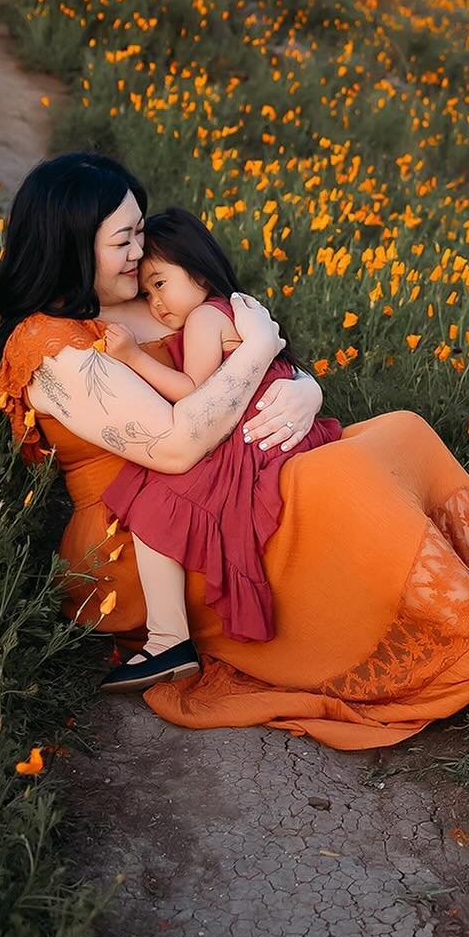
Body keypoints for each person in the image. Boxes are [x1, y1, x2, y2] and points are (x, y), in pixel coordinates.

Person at [0, 151, 469, 750]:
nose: (138, 251)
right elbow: (176, 446)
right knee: (338, 478)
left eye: (139, 232)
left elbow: (240, 370)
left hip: (227, 475)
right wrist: (264, 351)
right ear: (71, 245)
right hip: (143, 531)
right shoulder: (51, 347)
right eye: (120, 240)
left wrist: (306, 389)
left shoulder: (151, 300)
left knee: (402, 431)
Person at [97, 207, 345, 680]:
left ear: (198, 270)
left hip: (249, 439)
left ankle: (167, 640)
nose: (155, 302)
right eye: (148, 292)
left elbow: (196, 392)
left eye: (161, 283)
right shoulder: (238, 308)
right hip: (276, 429)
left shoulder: (205, 319)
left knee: (157, 503)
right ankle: (168, 641)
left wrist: (132, 357)